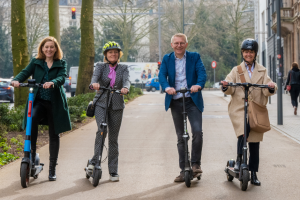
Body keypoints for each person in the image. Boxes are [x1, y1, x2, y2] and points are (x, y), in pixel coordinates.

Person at [11, 36, 71, 181]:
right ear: (42, 49)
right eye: (46, 47)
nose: (49, 49)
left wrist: (53, 82)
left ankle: (52, 169)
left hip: (54, 102)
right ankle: (31, 157)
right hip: (38, 100)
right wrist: (16, 80)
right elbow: (25, 72)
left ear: (56, 49)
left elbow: (62, 77)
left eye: (52, 47)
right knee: (31, 124)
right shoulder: (36, 62)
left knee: (54, 134)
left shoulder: (61, 63)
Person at [221, 38, 277, 186]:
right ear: (242, 53)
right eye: (246, 52)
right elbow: (230, 88)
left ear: (255, 53)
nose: (248, 54)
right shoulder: (236, 70)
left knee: (255, 142)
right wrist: (226, 85)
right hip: (239, 108)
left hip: (256, 110)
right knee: (243, 130)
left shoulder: (262, 70)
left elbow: (268, 89)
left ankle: (253, 173)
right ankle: (239, 160)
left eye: (251, 52)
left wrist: (271, 87)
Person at [159, 33, 207, 182]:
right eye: (176, 43)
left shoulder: (194, 57)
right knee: (181, 137)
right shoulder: (167, 59)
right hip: (176, 100)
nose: (179, 45)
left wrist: (198, 85)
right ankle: (183, 169)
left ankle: (195, 165)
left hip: (192, 100)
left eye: (181, 43)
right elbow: (162, 76)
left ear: (186, 44)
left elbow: (202, 74)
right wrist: (167, 87)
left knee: (197, 132)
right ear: (172, 45)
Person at [88, 41, 130, 182]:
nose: (113, 54)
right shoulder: (100, 66)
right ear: (106, 54)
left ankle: (113, 171)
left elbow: (126, 80)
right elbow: (95, 77)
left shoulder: (123, 68)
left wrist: (125, 88)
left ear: (119, 54)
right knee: (102, 130)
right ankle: (94, 163)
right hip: (101, 103)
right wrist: (94, 84)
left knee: (113, 138)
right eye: (110, 52)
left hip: (117, 105)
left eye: (116, 52)